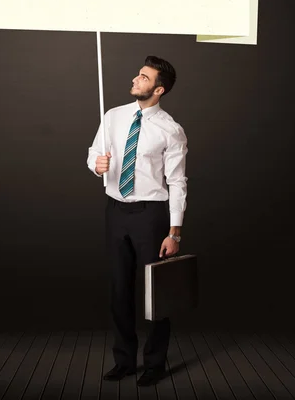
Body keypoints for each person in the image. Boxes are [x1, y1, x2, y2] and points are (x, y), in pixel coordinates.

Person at [87, 55, 188, 387]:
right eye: (138, 74)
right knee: (120, 290)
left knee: (154, 294)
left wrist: (174, 231)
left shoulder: (171, 130)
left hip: (151, 215)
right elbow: (94, 152)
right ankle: (124, 361)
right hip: (116, 211)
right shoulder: (113, 116)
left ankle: (154, 364)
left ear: (158, 89)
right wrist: (96, 165)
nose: (135, 79)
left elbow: (177, 182)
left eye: (144, 77)